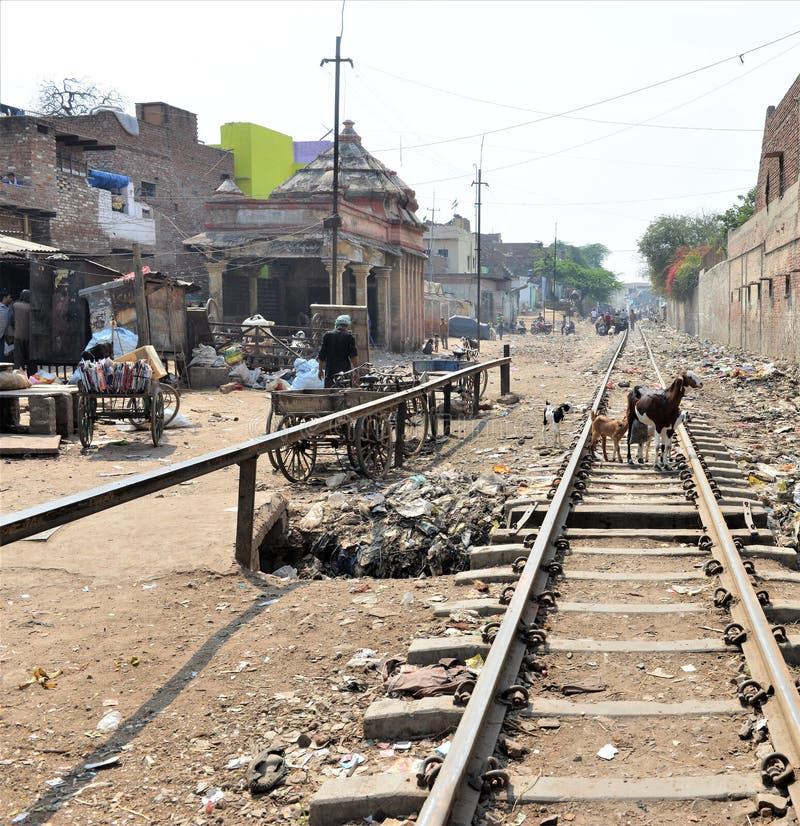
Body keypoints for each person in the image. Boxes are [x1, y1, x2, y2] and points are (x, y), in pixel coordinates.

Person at [317, 314, 358, 388]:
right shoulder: (349, 337)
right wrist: (356, 371)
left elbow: (321, 355)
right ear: (347, 325)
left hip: (330, 370)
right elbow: (353, 356)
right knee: (344, 392)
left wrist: (320, 370)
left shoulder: (327, 335)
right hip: (344, 370)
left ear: (337, 324)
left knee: (330, 392)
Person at [12, 289, 33, 375]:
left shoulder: (15, 305)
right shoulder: (31, 307)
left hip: (18, 335)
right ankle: (31, 376)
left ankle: (19, 375)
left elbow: (11, 320)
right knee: (30, 359)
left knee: (18, 358)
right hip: (29, 337)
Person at [0, 288, 13, 358]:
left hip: (2, 336)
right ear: (4, 298)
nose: (11, 299)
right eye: (9, 297)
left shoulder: (9, 309)